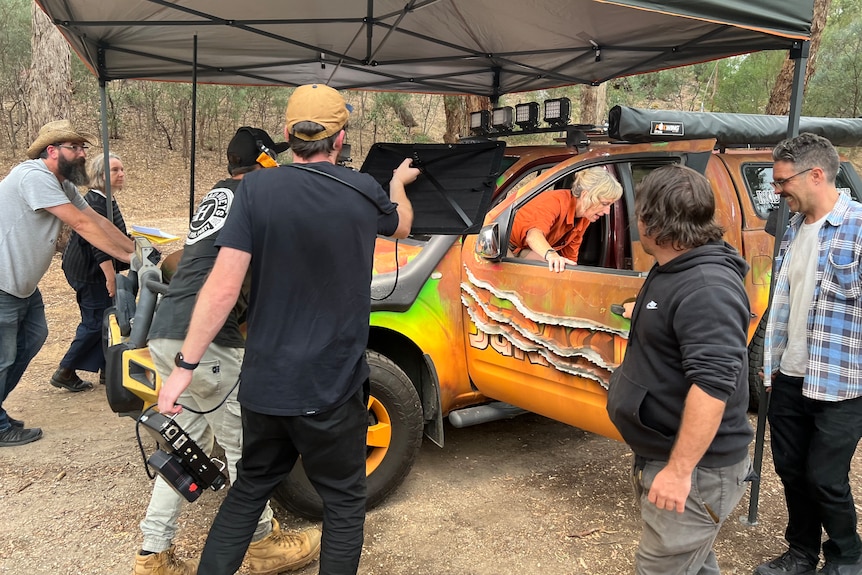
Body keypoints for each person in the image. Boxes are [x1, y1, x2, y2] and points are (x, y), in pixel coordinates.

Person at [157, 84, 419, 575]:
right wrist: (399, 184)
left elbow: (221, 288)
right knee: (343, 503)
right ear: (339, 138)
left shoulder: (255, 190)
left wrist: (184, 368)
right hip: (332, 386)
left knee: (249, 490)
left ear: (288, 134)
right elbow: (401, 225)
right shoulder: (363, 189)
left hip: (266, 386)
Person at [131, 126, 321, 575]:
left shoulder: (218, 197)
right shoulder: (258, 198)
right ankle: (261, 544)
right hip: (206, 339)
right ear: (265, 161)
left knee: (187, 446)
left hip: (166, 330)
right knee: (245, 448)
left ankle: (153, 552)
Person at [606, 164, 753, 574]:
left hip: (698, 469)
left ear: (650, 221)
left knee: (661, 568)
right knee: (695, 564)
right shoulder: (676, 265)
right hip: (669, 454)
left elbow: (712, 386)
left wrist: (678, 470)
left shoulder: (707, 288)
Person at [755, 133, 862, 575]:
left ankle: (848, 557)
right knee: (792, 471)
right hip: (790, 376)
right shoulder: (793, 230)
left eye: (782, 181)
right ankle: (801, 553)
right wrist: (772, 368)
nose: (777, 190)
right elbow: (784, 304)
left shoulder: (859, 228)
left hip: (843, 383)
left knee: (825, 478)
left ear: (816, 175)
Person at [0, 120, 135, 447]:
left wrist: (136, 251)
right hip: (3, 284)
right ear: (51, 151)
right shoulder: (34, 176)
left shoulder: (63, 185)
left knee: (33, 337)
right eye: (74, 148)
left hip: (23, 286)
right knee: (4, 356)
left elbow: (97, 219)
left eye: (82, 147)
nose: (82, 154)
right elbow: (81, 224)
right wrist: (128, 259)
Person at [51, 152, 130, 392]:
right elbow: (98, 246)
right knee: (96, 321)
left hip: (94, 269)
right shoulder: (95, 202)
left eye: (122, 169)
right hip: (88, 271)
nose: (121, 174)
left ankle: (107, 368)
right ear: (100, 175)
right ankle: (65, 370)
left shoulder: (106, 199)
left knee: (108, 317)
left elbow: (114, 233)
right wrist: (110, 277)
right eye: (114, 170)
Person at [508, 166, 622, 272]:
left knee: (557, 271)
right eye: (604, 203)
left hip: (525, 249)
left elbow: (571, 253)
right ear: (585, 195)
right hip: (506, 245)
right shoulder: (554, 202)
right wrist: (552, 255)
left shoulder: (584, 217)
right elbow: (533, 237)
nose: (607, 211)